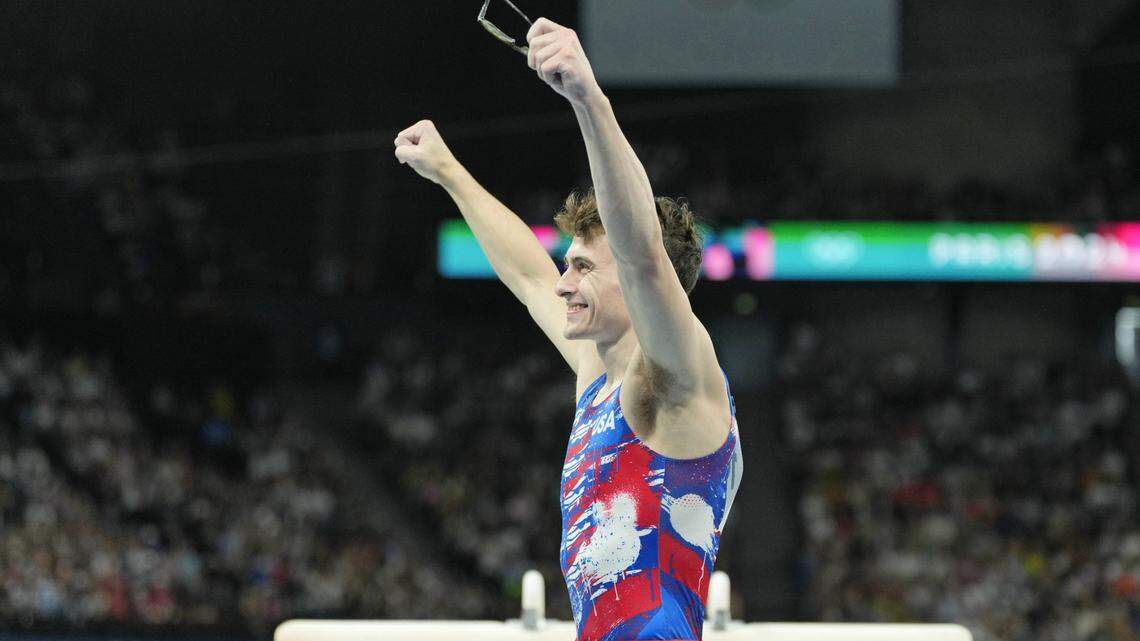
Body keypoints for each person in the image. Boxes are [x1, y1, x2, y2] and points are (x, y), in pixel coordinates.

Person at [393, 17, 742, 641]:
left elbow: (639, 252)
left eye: (582, 268)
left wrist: (587, 96)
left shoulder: (673, 377)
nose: (563, 283)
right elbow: (527, 275)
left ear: (639, 287)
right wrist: (449, 172)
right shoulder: (598, 371)